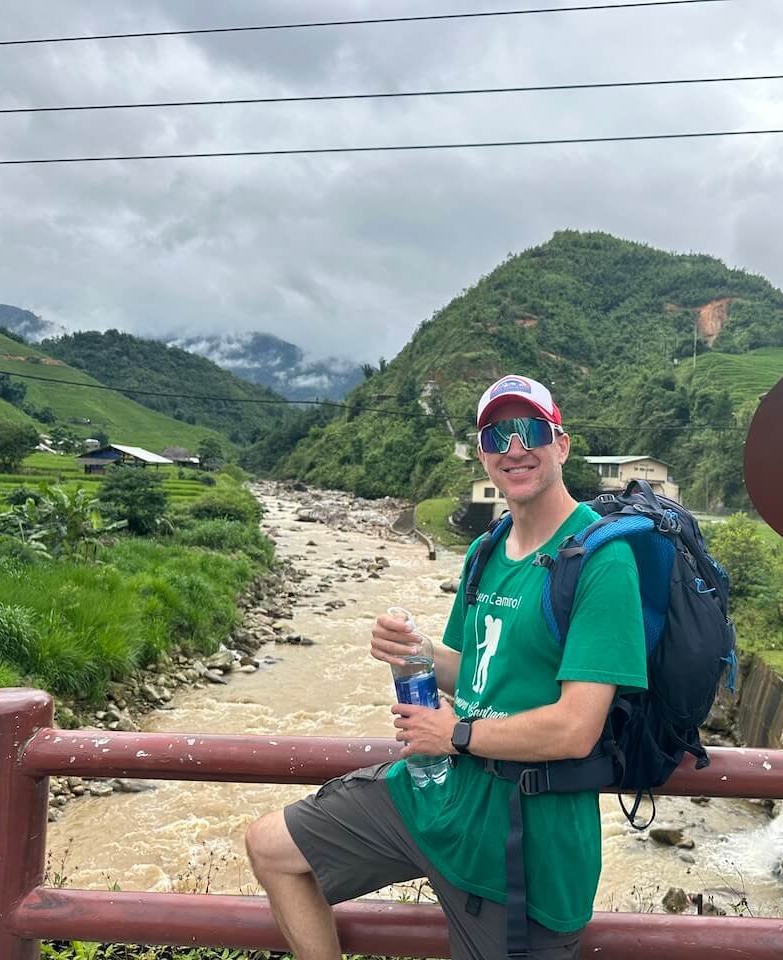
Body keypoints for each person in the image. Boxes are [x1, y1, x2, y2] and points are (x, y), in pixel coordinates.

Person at [245, 374, 647, 960]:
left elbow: (575, 727)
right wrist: (417, 650)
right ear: (483, 455)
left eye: (530, 430)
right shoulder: (488, 549)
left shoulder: (602, 561)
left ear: (560, 444)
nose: (514, 448)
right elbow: (475, 672)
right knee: (273, 848)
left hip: (528, 841)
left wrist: (456, 733)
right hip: (445, 797)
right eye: (496, 436)